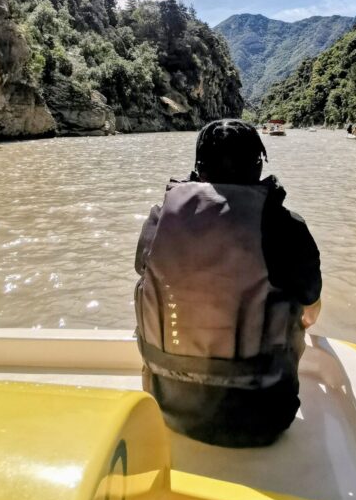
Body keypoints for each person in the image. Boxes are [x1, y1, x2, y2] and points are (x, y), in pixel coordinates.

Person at [134, 119, 322, 447]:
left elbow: (145, 275)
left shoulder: (159, 219)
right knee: (302, 305)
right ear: (258, 166)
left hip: (168, 407)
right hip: (262, 419)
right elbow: (311, 308)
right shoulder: (286, 227)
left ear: (197, 170)